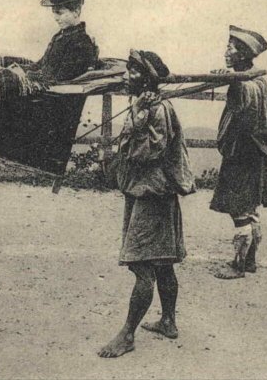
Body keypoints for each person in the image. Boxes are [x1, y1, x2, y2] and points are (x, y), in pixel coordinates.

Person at [99, 49, 195, 358]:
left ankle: (127, 335)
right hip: (145, 191)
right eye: (128, 70)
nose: (127, 76)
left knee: (142, 264)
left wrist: (137, 119)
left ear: (148, 78)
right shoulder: (144, 104)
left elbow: (147, 153)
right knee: (162, 260)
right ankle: (168, 321)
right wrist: (137, 112)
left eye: (133, 71)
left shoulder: (157, 110)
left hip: (152, 194)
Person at [210, 25, 267, 279]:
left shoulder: (246, 84)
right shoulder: (257, 81)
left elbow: (243, 118)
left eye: (231, 47)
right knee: (250, 207)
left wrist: (230, 80)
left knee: (239, 208)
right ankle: (250, 261)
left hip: (242, 153)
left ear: (243, 54)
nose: (226, 51)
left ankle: (238, 265)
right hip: (254, 153)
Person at [24, 0, 99, 84]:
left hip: (56, 95)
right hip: (46, 86)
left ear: (76, 11)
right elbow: (42, 64)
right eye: (54, 13)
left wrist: (28, 75)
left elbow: (61, 77)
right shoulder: (60, 36)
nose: (55, 18)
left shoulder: (81, 41)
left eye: (59, 13)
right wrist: (21, 69)